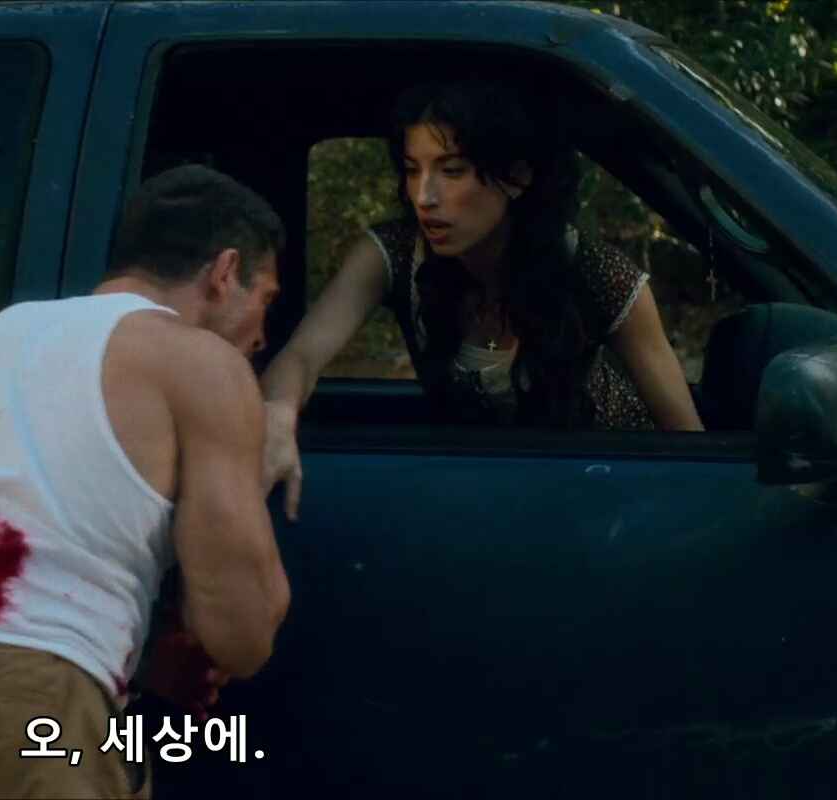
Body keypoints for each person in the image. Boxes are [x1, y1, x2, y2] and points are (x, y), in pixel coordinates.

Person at [0, 164, 293, 799]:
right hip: (25, 725)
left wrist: (145, 661)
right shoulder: (197, 360)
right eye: (266, 301)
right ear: (225, 272)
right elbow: (242, 632)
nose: (261, 337)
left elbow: (2, 585)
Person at [260, 78, 704, 520]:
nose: (424, 197)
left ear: (517, 177)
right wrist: (278, 415)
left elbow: (692, 448)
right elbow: (301, 356)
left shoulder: (596, 272)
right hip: (489, 504)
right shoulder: (397, 254)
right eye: (412, 170)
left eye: (452, 170)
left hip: (611, 502)